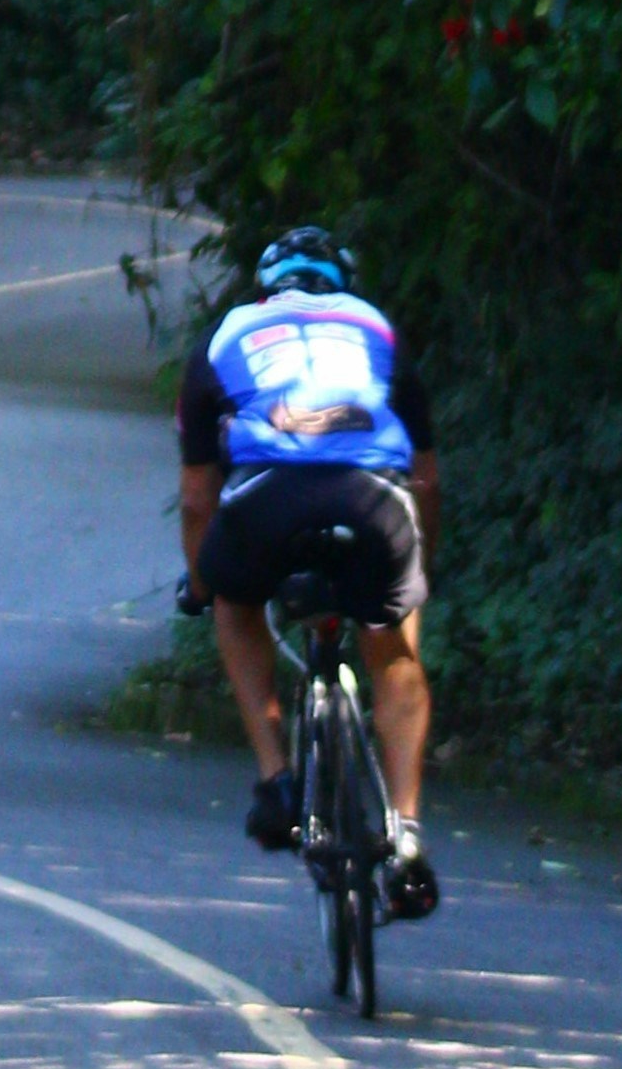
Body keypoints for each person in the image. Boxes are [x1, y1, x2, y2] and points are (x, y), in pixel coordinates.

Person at [177, 225, 439, 910]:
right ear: (342, 287)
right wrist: (420, 568)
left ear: (266, 290)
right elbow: (428, 480)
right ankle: (407, 834)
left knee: (236, 608)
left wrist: (203, 586)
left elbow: (198, 495)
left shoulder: (227, 334)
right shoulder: (377, 329)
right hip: (373, 501)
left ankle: (276, 780)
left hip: (267, 502)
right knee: (394, 644)